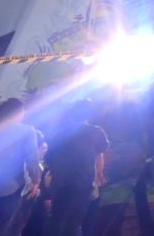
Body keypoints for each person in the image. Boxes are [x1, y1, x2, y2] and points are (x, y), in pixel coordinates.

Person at [0, 99, 42, 236]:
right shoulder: (27, 131)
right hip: (10, 187)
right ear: (20, 112)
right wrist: (36, 181)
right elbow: (32, 160)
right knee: (0, 228)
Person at [42, 101, 108, 236]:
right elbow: (99, 155)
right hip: (84, 182)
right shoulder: (96, 132)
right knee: (74, 221)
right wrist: (99, 174)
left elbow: (49, 158)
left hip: (61, 182)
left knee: (56, 219)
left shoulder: (61, 133)